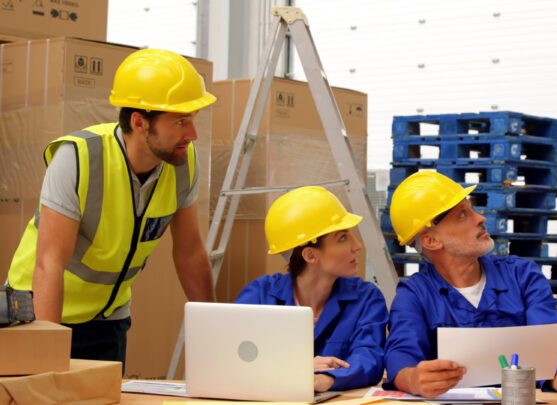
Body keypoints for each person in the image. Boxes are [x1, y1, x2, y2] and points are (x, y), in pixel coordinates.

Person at [7, 49, 217, 366]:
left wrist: (218, 330)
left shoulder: (182, 164)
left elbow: (189, 253)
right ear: (140, 122)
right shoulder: (77, 158)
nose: (193, 134)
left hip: (108, 319)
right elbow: (49, 264)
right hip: (39, 314)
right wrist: (46, 355)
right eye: (180, 121)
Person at [384, 171, 557, 398]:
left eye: (472, 209)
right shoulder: (414, 295)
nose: (480, 218)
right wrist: (414, 379)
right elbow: (401, 357)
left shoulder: (523, 276)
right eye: (463, 215)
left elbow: (553, 354)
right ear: (431, 241)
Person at [235, 186, 388, 392]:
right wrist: (298, 369)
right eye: (342, 238)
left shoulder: (366, 298)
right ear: (310, 255)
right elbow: (232, 358)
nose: (357, 245)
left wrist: (326, 379)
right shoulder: (259, 295)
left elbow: (369, 360)